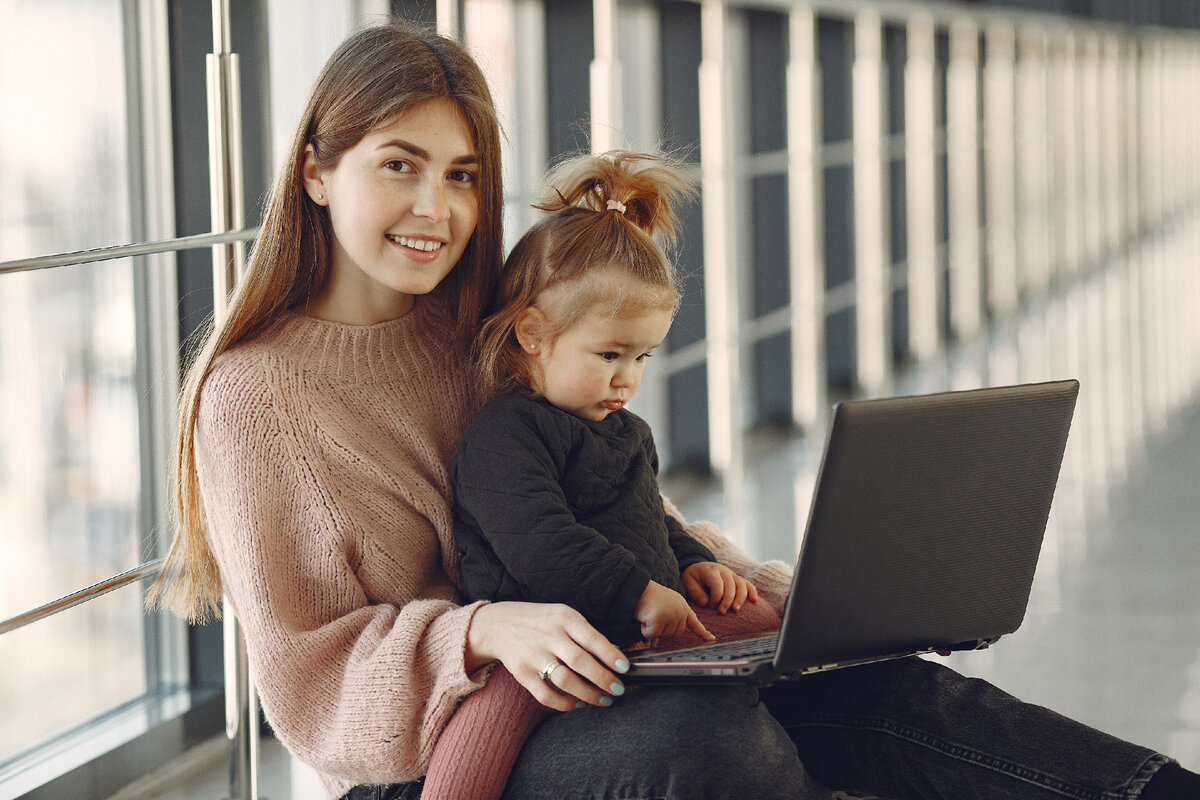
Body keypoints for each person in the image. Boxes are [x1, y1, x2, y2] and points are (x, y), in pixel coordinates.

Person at [147, 18, 1200, 800]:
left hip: (600, 664)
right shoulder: (253, 397)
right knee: (718, 749)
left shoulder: (484, 321)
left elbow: (602, 486)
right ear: (316, 174)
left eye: (464, 174)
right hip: (439, 751)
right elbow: (308, 678)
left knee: (889, 691)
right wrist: (478, 630)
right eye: (400, 166)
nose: (439, 209)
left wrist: (764, 587)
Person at [422, 150, 783, 800]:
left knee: (776, 630)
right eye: (610, 354)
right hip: (539, 650)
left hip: (631, 633)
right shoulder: (508, 433)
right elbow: (540, 543)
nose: (628, 377)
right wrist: (640, 594)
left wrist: (694, 561)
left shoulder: (628, 434)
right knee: (481, 738)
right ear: (533, 333)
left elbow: (649, 520)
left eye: (642, 356)